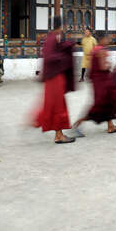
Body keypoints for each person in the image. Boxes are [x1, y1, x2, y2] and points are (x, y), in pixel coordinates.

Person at [31, 16, 76, 144]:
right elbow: (50, 57)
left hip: (55, 76)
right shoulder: (52, 38)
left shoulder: (54, 37)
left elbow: (53, 52)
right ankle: (58, 135)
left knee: (56, 104)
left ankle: (56, 131)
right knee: (58, 106)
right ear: (61, 26)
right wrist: (63, 55)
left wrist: (66, 46)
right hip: (54, 77)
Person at [72, 32, 116, 135]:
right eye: (107, 39)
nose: (108, 41)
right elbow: (103, 67)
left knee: (108, 105)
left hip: (98, 82)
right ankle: (77, 124)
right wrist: (109, 65)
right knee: (99, 107)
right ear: (102, 39)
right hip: (103, 82)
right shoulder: (101, 51)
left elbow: (91, 68)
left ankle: (111, 126)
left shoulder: (95, 50)